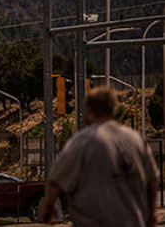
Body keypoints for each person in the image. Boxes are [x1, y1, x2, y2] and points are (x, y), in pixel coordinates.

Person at [42, 86, 158, 226]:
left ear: (89, 111)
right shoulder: (135, 140)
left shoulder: (82, 141)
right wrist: (151, 214)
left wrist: (48, 208)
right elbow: (152, 180)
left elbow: (56, 181)